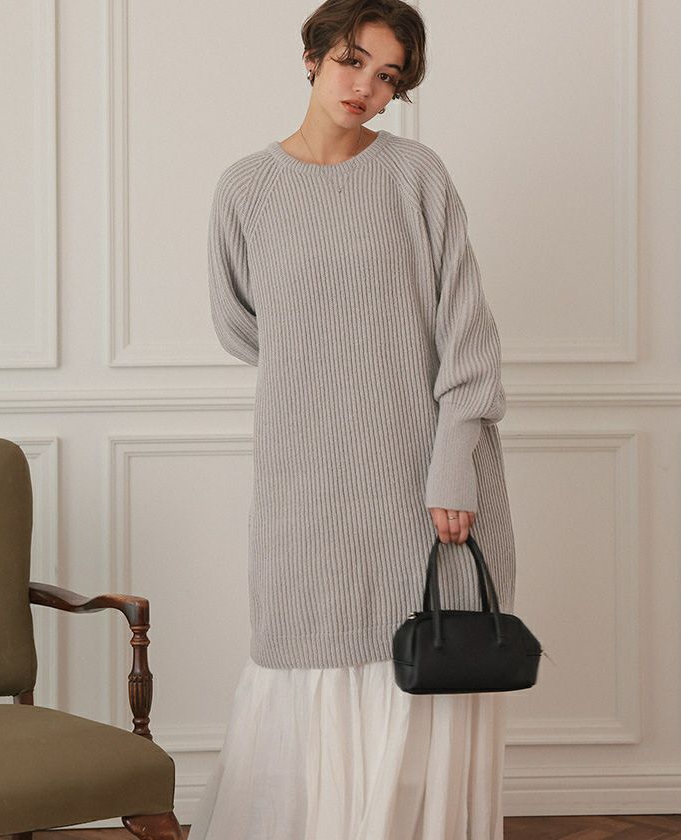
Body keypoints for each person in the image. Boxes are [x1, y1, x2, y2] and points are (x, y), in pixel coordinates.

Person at [187, 1, 516, 837]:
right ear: (312, 57)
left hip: (424, 472)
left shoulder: (416, 177)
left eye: (388, 75)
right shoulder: (247, 188)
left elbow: (467, 333)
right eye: (352, 61)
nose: (366, 86)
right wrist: (322, 369)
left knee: (424, 656)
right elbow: (241, 326)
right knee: (307, 648)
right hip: (304, 478)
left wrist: (454, 461)